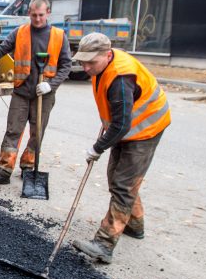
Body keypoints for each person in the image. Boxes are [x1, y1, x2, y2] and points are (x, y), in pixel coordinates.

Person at [70, 33, 171, 264]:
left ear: (107, 55)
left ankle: (104, 244)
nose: (85, 67)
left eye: (90, 62)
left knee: (124, 183)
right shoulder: (102, 66)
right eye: (82, 62)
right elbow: (118, 117)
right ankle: (134, 225)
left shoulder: (120, 77)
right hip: (127, 127)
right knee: (117, 178)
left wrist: (97, 147)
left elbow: (122, 124)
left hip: (146, 127)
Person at [0, 0, 71, 188]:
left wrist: (51, 85)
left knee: (37, 133)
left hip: (44, 94)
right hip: (22, 91)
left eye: (41, 15)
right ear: (29, 13)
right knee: (13, 131)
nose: (37, 19)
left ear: (48, 13)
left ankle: (28, 166)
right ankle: (3, 171)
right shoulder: (20, 33)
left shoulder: (59, 36)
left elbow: (66, 65)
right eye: (34, 15)